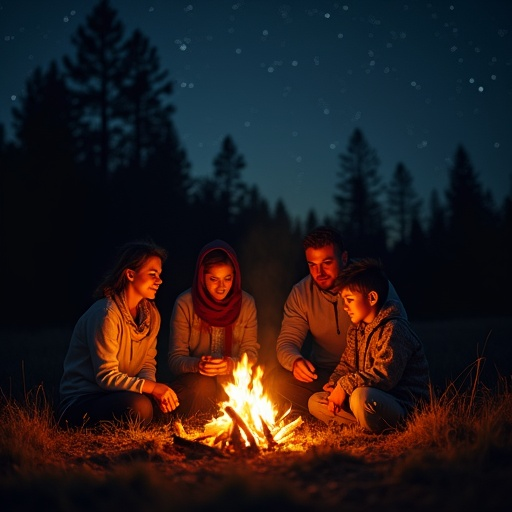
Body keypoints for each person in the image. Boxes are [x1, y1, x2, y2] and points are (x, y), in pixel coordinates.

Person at [271, 226, 407, 415]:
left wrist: (351, 383)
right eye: (312, 265)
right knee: (277, 383)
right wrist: (295, 361)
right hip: (326, 374)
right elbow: (287, 341)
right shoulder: (301, 293)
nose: (319, 272)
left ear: (343, 258)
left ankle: (362, 410)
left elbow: (397, 331)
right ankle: (338, 410)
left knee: (367, 395)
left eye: (327, 262)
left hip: (372, 376)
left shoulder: (370, 283)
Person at [57, 239, 179, 429]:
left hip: (118, 394)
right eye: (152, 274)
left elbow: (147, 362)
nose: (159, 281)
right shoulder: (106, 314)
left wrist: (151, 391)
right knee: (139, 407)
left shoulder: (151, 315)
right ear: (130, 274)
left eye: (160, 275)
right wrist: (152, 389)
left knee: (172, 399)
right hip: (84, 399)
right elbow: (106, 376)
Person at [308, 258, 430, 433]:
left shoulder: (394, 328)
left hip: (402, 406)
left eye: (349, 300)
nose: (345, 307)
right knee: (316, 401)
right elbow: (347, 365)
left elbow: (385, 376)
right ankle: (367, 427)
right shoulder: (357, 330)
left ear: (372, 298)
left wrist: (345, 385)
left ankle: (378, 427)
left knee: (361, 397)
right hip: (370, 401)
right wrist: (335, 383)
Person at [168, 239, 259, 419]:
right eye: (213, 279)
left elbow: (251, 353)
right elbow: (174, 360)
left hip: (233, 379)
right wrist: (198, 365)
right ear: (202, 277)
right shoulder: (185, 303)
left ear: (235, 276)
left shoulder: (246, 304)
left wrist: (230, 365)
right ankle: (196, 420)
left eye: (228, 278)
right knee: (204, 386)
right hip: (195, 382)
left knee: (257, 382)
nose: (221, 287)